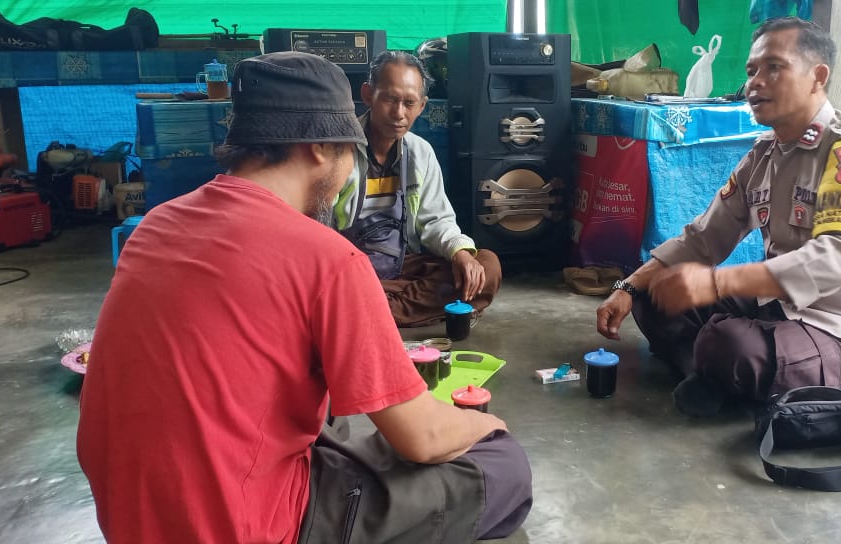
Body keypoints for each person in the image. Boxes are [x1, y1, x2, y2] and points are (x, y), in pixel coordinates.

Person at [77, 52, 532, 543]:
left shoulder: (154, 227)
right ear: (320, 147)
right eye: (348, 150)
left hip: (128, 518)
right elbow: (423, 439)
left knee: (334, 416)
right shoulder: (328, 259)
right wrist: (484, 426)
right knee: (502, 464)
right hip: (245, 525)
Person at [596, 17, 841, 416]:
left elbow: (834, 259)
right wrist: (628, 286)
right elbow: (703, 239)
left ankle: (720, 371)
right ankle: (717, 376)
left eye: (774, 67)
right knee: (654, 296)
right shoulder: (763, 155)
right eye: (751, 71)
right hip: (777, 309)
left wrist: (716, 283)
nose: (755, 83)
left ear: (817, 77)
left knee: (728, 344)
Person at [322, 51, 502, 327]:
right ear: (368, 95)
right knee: (328, 289)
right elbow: (320, 230)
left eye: (409, 103)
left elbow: (436, 221)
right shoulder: (337, 151)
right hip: (351, 267)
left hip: (404, 263)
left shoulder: (420, 152)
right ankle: (385, 308)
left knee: (486, 266)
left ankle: (369, 312)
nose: (399, 113)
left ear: (422, 106)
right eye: (390, 99)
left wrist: (460, 253)